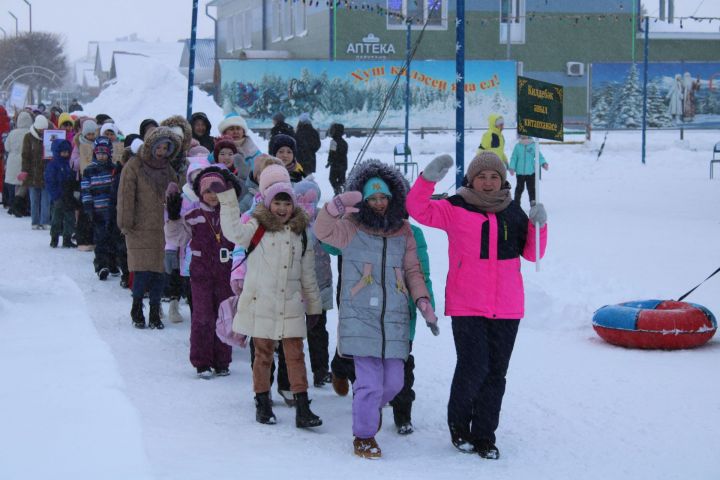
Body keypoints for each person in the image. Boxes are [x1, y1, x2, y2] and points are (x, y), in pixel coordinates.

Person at [406, 152, 547, 460]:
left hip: (507, 307)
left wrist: (539, 226)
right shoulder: (456, 207)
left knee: (496, 373)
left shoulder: (513, 212)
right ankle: (459, 427)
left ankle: (485, 435)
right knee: (474, 367)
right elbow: (417, 209)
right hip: (467, 304)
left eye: (493, 177)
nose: (487, 182)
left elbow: (533, 255)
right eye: (481, 176)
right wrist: (427, 180)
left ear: (502, 180)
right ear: (471, 179)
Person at [314, 159, 437, 459]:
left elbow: (413, 271)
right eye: (373, 198)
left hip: (394, 318)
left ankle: (367, 410)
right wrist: (334, 208)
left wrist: (423, 302)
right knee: (368, 383)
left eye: (383, 197)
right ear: (365, 199)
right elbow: (322, 232)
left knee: (394, 382)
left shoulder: (404, 231)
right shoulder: (352, 228)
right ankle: (364, 435)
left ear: (393, 198)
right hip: (361, 317)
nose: (379, 203)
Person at [218, 164, 323, 428]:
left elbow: (308, 275)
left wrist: (314, 307)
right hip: (261, 302)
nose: (282, 209)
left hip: (290, 303)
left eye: (287, 203)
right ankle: (262, 401)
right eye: (277, 202)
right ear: (267, 201)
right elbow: (233, 233)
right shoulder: (256, 225)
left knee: (296, 355)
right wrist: (228, 199)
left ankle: (302, 406)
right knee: (262, 355)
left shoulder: (301, 233)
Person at [165, 166, 241, 378]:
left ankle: (222, 360)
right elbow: (177, 237)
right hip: (201, 273)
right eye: (208, 191)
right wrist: (173, 217)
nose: (212, 196)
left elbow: (242, 236)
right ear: (200, 193)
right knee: (203, 317)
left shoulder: (231, 214)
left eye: (217, 191)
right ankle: (202, 362)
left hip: (226, 271)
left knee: (225, 315)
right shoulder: (194, 215)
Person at [117, 126, 180, 329]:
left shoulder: (168, 169)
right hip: (139, 227)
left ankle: (154, 311)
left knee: (159, 273)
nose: (161, 152)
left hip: (162, 229)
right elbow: (126, 196)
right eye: (158, 147)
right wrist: (126, 222)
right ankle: (137, 307)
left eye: (165, 148)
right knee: (141, 271)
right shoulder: (134, 165)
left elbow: (175, 194)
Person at [293, 179, 334, 387]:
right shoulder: (290, 219)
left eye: (311, 200)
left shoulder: (323, 218)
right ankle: (296, 373)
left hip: (321, 282)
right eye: (302, 200)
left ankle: (321, 371)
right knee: (296, 332)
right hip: (296, 285)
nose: (307, 205)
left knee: (318, 329)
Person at [82, 137, 119, 280]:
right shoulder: (89, 170)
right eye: (99, 153)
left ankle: (113, 263)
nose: (102, 156)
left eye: (104, 153)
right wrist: (88, 208)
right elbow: (86, 190)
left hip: (111, 211)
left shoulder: (113, 169)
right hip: (97, 211)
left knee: (113, 239)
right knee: (100, 240)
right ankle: (101, 266)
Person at [19, 114, 51, 229]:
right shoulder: (28, 137)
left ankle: (45, 221)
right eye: (40, 129)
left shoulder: (50, 136)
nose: (42, 131)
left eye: (44, 129)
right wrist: (24, 171)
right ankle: (35, 221)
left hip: (46, 173)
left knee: (46, 199)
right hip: (33, 173)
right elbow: (25, 156)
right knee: (34, 199)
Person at [44, 139, 77, 248]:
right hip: (58, 196)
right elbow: (49, 181)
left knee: (69, 218)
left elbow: (72, 177)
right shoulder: (53, 165)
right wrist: (56, 194)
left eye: (67, 152)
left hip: (68, 194)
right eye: (63, 152)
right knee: (56, 218)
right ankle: (54, 238)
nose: (65, 154)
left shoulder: (69, 163)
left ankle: (67, 238)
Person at [71, 118, 98, 251]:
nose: (91, 137)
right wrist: (83, 158)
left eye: (93, 134)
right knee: (83, 209)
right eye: (89, 134)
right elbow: (73, 162)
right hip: (83, 180)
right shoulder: (78, 143)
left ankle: (94, 239)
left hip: (97, 180)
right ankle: (83, 240)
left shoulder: (99, 144)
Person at [4, 111, 33, 217]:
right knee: (25, 185)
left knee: (16, 185)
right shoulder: (30, 133)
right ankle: (21, 207)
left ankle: (13, 205)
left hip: (13, 161)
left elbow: (6, 147)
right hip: (25, 161)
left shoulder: (12, 133)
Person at [508, 135, 548, 207]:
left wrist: (543, 163)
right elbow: (514, 157)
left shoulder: (533, 145)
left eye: (525, 135)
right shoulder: (518, 146)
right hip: (520, 173)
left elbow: (539, 155)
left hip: (531, 172)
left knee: (531, 189)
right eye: (522, 135)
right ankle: (516, 204)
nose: (524, 137)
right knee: (519, 189)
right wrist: (512, 167)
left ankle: (533, 203)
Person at [326, 123, 348, 195]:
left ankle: (337, 190)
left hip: (335, 164)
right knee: (342, 180)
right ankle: (341, 191)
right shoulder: (345, 142)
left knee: (332, 179)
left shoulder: (333, 142)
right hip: (343, 164)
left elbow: (331, 153)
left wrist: (329, 161)